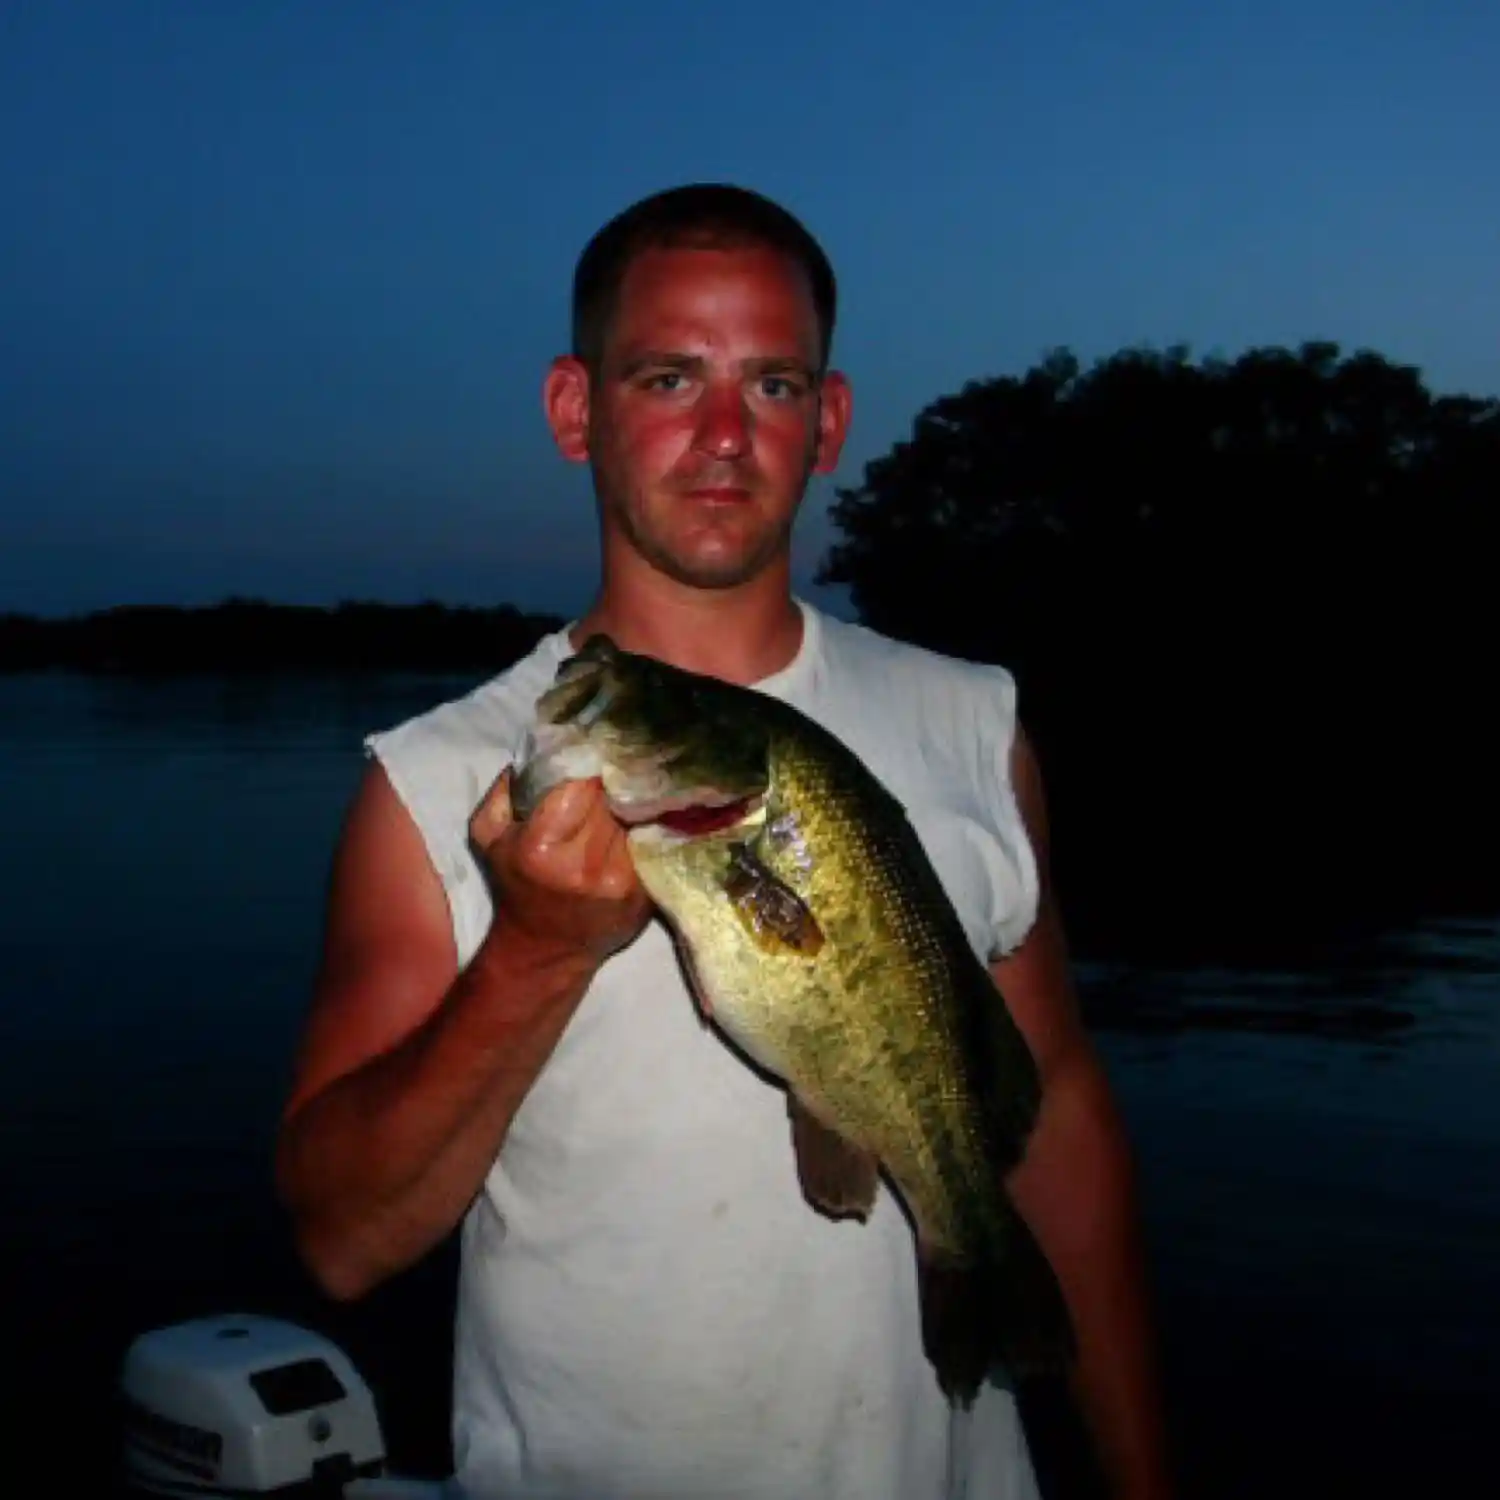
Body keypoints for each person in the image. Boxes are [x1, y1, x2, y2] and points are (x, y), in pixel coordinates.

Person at [275, 183, 1172, 1500]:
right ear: (577, 411)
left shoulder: (972, 722)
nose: (721, 437)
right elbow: (340, 1240)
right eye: (668, 377)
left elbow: (1056, 1120)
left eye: (771, 387)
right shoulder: (434, 782)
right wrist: (532, 955)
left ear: (830, 421)